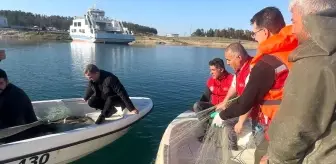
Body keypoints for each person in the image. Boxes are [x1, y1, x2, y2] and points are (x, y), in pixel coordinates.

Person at [211, 6, 298, 164]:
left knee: (260, 155)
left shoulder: (266, 64)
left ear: (265, 32)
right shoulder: (297, 51)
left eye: (255, 33)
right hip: (298, 118)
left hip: (281, 125)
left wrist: (222, 116)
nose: (254, 37)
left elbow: (244, 103)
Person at [265, 1, 336, 164]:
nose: (294, 30)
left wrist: (273, 159)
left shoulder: (315, 59)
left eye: (294, 21)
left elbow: (293, 132)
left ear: (309, 19)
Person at [192, 58, 236, 149]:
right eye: (210, 70)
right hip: (214, 107)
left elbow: (237, 99)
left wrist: (225, 106)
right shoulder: (210, 81)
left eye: (213, 70)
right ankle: (208, 133)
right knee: (197, 105)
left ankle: (231, 143)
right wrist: (194, 108)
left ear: (221, 69)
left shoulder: (232, 80)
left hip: (227, 108)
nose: (210, 72)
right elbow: (205, 97)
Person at [216, 42, 257, 135]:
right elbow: (234, 85)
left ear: (239, 57)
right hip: (244, 107)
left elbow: (251, 99)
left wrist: (241, 122)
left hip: (255, 112)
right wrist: (225, 101)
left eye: (228, 60)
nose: (227, 63)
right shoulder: (240, 68)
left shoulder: (253, 68)